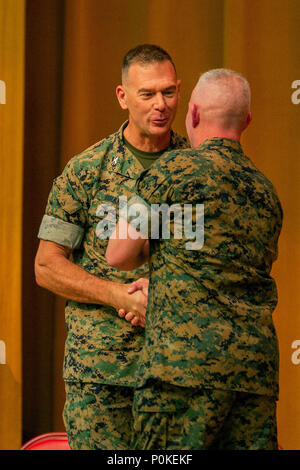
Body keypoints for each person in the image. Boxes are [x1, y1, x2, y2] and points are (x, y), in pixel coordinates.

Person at [106, 68, 283, 450]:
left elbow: (119, 252)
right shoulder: (267, 193)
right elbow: (226, 268)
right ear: (247, 121)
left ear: (195, 114)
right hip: (254, 375)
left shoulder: (174, 170)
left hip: (182, 373)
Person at [34, 44, 187, 450]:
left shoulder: (198, 170)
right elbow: (47, 265)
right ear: (123, 97)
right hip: (101, 375)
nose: (161, 105)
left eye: (169, 92)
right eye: (147, 94)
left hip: (181, 370)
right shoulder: (87, 170)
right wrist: (118, 294)